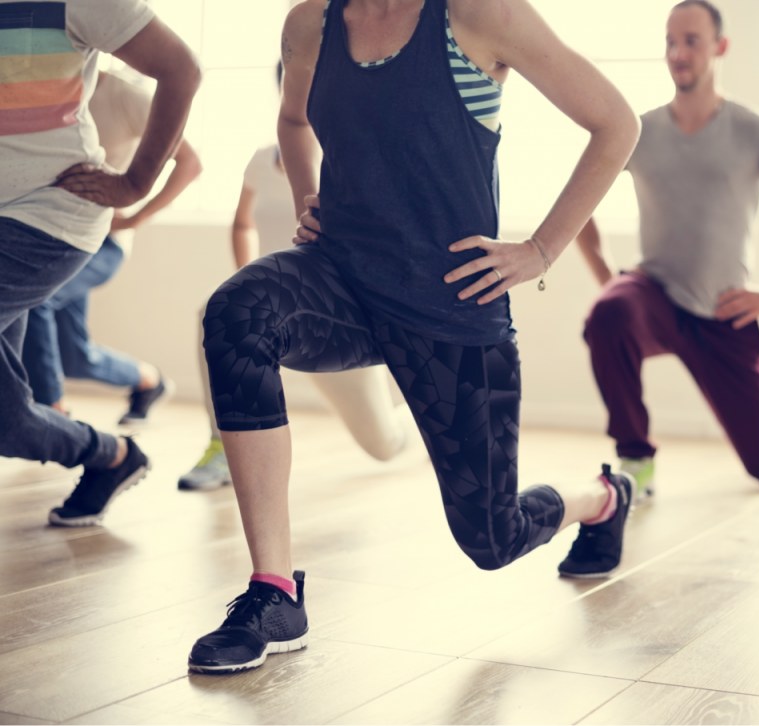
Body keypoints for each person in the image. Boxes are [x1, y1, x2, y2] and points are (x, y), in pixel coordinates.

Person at [186, 0, 640, 674]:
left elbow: (617, 124)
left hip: (450, 302)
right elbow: (293, 119)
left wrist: (541, 250)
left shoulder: (480, 16)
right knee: (236, 313)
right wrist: (309, 196)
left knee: (493, 538)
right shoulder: (311, 23)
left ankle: (602, 498)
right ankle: (275, 592)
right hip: (340, 278)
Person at [576, 0, 759, 500]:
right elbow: (579, 200)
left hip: (722, 311)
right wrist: (607, 276)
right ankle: (635, 456)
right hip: (654, 293)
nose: (678, 53)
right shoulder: (638, 131)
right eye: (671, 42)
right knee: (607, 313)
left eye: (691, 41)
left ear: (720, 47)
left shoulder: (754, 129)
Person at [0, 0, 200, 526]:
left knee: (70, 346)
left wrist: (135, 185)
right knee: (7, 423)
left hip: (49, 216)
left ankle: (113, 394)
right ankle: (110, 457)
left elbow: (181, 68)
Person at [179, 65, 417, 492]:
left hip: (331, 316)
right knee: (211, 313)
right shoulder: (261, 160)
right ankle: (222, 448)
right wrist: (243, 284)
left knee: (384, 445)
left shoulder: (354, 159)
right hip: (276, 304)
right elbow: (242, 224)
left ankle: (429, 424)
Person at [21, 70, 202, 425]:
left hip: (103, 243)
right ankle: (149, 382)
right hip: (56, 238)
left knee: (36, 298)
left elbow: (190, 163)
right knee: (75, 357)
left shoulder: (126, 96)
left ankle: (53, 416)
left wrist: (134, 218)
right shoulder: (40, 90)